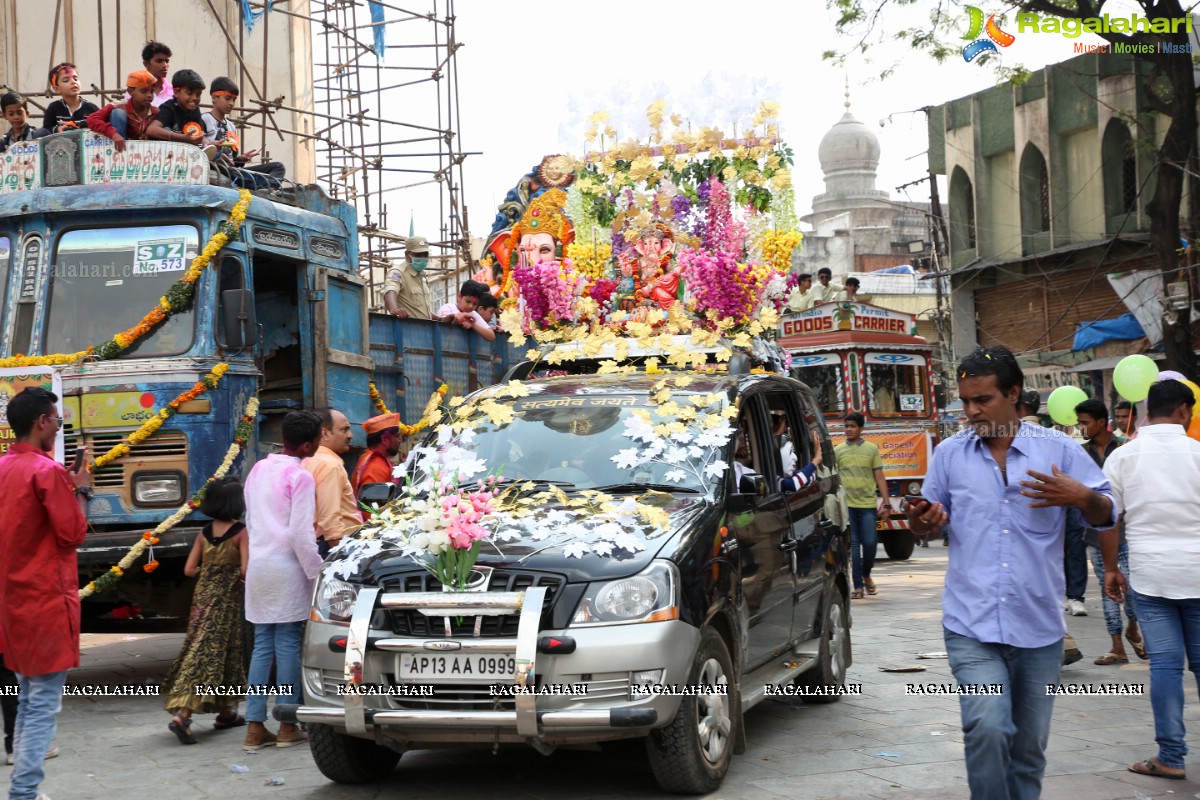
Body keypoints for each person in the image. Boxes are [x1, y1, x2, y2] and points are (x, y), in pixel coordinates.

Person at [908, 346, 1114, 800]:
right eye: (966, 401)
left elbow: (1107, 514)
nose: (971, 411)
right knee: (987, 724)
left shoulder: (1058, 452)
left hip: (1039, 629)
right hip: (971, 624)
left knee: (1028, 751)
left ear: (1013, 394)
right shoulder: (949, 455)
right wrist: (923, 519)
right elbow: (922, 518)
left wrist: (1081, 496)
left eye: (982, 400)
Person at [1101, 379, 1200, 782]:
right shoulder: (1198, 453)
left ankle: (1171, 756)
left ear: (1146, 413)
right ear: (1181, 411)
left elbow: (1108, 517)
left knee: (1165, 666)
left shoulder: (1124, 457)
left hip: (1150, 573)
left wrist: (1111, 568)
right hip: (1198, 570)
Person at [0, 388, 91, 799]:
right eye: (57, 421)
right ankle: (23, 792)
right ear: (42, 422)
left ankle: (26, 790)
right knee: (41, 704)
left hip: (12, 600)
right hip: (45, 598)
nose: (58, 428)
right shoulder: (47, 471)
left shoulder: (4, 467)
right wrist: (81, 490)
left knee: (26, 695)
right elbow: (72, 533)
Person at [242, 410, 324, 750]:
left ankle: (254, 727)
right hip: (287, 567)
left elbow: (250, 519)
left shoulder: (259, 469)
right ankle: (288, 725)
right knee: (288, 642)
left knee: (263, 645)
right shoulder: (300, 476)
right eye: (319, 438)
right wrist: (316, 570)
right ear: (306, 445)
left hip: (260, 565)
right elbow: (300, 533)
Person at [160, 476, 249, 745]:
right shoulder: (241, 532)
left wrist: (208, 573)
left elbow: (189, 570)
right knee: (212, 653)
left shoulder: (203, 532)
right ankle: (183, 715)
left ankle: (226, 713)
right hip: (226, 602)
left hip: (201, 600)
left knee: (204, 647)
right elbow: (246, 569)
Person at [1073, 397, 1142, 666]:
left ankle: (1133, 628)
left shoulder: (1126, 447)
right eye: (1079, 423)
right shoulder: (1080, 453)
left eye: (1085, 423)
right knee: (1107, 588)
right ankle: (1116, 647)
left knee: (1133, 588)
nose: (1082, 428)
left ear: (1102, 423)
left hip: (1127, 529)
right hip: (1094, 532)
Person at [835, 412, 891, 599]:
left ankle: (867, 574)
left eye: (852, 426)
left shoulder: (871, 449)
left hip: (867, 505)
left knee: (870, 544)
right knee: (855, 545)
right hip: (847, 505)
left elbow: (879, 476)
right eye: (846, 426)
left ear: (860, 428)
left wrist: (887, 503)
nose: (848, 430)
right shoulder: (839, 450)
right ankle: (858, 586)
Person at [202, 77, 285, 188]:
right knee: (230, 171)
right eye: (227, 98)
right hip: (216, 168)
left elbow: (233, 161)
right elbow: (200, 151)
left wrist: (240, 159)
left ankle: (267, 187)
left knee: (278, 167)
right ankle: (263, 188)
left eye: (234, 99)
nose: (231, 103)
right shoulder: (204, 119)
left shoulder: (232, 127)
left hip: (233, 170)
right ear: (214, 97)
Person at [304, 407, 360, 557]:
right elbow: (330, 518)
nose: (350, 435)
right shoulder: (330, 465)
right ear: (325, 433)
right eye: (344, 430)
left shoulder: (307, 461)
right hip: (332, 545)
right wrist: (341, 555)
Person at [86, 70, 158, 152]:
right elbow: (92, 119)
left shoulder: (156, 112)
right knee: (118, 113)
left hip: (146, 154)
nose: (149, 95)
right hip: (120, 153)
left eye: (152, 91)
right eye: (144, 91)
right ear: (131, 92)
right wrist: (113, 134)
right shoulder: (118, 105)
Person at [147, 69, 206, 146]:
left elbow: (199, 135)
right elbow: (151, 130)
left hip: (186, 149)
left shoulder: (195, 110)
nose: (195, 98)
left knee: (219, 150)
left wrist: (210, 144)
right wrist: (182, 138)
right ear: (176, 92)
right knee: (166, 129)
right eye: (189, 93)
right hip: (167, 151)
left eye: (198, 94)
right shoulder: (169, 108)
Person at [352, 412, 402, 498]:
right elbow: (372, 507)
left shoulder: (371, 459)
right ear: (385, 440)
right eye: (397, 436)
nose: (400, 440)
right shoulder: (376, 467)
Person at [383, 236, 434, 320]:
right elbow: (390, 290)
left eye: (425, 254)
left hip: (425, 330)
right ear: (407, 255)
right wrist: (394, 309)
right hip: (408, 330)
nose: (423, 258)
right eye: (418, 255)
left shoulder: (422, 277)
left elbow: (420, 312)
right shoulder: (398, 273)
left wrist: (440, 319)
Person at [42, 63, 98, 133]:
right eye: (66, 80)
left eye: (75, 79)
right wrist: (57, 129)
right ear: (56, 89)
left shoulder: (91, 108)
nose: (73, 82)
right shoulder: (53, 108)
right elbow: (46, 130)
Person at [129, 40, 174, 108]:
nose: (165, 65)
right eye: (159, 61)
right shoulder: (135, 90)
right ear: (146, 64)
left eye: (167, 61)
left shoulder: (173, 91)